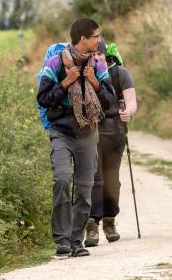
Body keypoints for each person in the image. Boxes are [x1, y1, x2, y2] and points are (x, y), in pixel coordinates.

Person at [37, 18, 116, 257]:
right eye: (96, 36)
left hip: (88, 132)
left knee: (84, 188)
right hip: (61, 131)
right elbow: (43, 98)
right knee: (62, 180)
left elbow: (109, 101)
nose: (99, 40)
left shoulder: (98, 66)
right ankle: (61, 240)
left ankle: (76, 240)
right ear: (83, 38)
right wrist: (66, 83)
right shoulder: (55, 62)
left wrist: (94, 83)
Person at [85, 40, 137, 247]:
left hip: (115, 131)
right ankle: (91, 225)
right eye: (93, 54)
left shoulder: (120, 73)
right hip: (91, 131)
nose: (96, 57)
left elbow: (131, 100)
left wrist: (128, 112)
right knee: (94, 178)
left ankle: (109, 220)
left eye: (99, 53)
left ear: (106, 55)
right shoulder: (84, 73)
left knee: (112, 178)